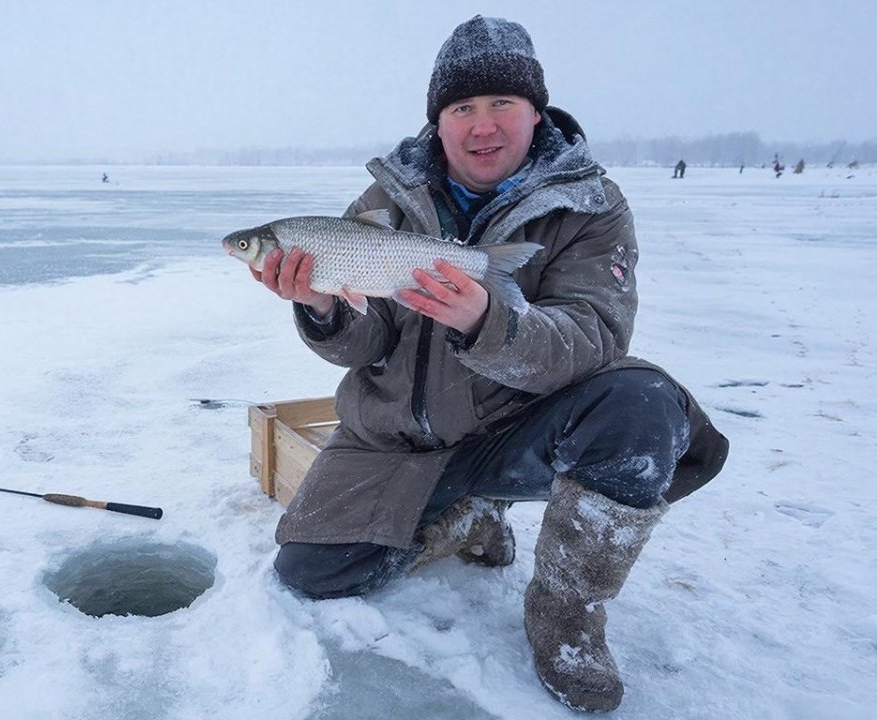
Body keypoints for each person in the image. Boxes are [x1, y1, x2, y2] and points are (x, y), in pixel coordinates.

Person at [243, 15, 728, 712]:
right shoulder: (383, 204)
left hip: (512, 434)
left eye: (502, 103)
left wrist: (485, 318)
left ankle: (566, 619)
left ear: (536, 112)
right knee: (309, 572)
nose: (482, 125)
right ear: (437, 122)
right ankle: (464, 519)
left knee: (640, 400)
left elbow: (593, 337)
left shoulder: (590, 208)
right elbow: (365, 343)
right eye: (462, 108)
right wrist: (322, 309)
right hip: (393, 440)